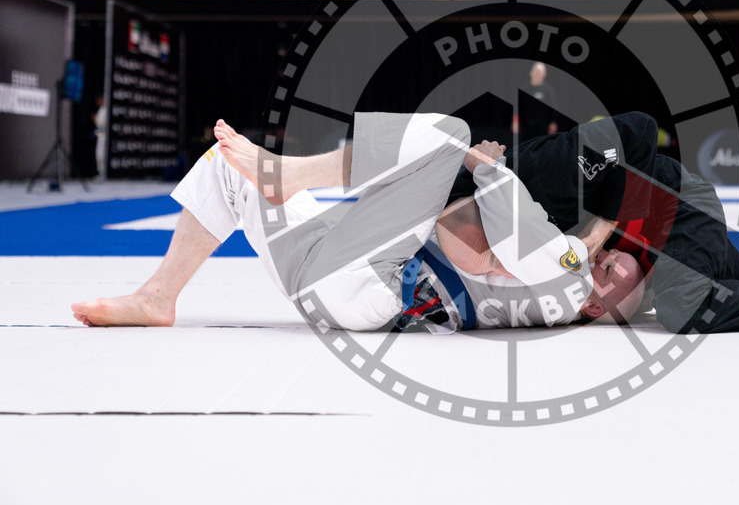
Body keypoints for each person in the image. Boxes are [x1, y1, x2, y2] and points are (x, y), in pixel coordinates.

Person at [71, 114, 646, 331]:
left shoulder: (569, 284)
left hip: (367, 283)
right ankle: (157, 297)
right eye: (616, 253)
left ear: (599, 305)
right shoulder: (566, 278)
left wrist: (599, 223)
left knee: (450, 135)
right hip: (335, 273)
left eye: (617, 269)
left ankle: (291, 174)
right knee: (225, 168)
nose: (610, 257)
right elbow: (485, 237)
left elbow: (521, 234)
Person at [449, 112, 739, 334]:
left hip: (675, 204)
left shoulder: (548, 171)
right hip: (644, 245)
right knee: (736, 275)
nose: (493, 260)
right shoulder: (500, 232)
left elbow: (638, 128)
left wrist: (598, 233)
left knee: (683, 305)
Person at [513, 62, 558, 141]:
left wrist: (553, 123)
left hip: (542, 127)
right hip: (526, 126)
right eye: (537, 72)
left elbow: (553, 109)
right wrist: (515, 121)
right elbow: (517, 107)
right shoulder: (523, 89)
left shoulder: (548, 90)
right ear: (531, 72)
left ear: (544, 75)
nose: (539, 75)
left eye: (541, 73)